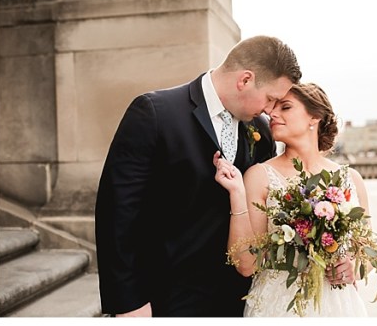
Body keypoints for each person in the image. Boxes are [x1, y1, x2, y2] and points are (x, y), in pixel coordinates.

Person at [95, 35, 302, 316]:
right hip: (166, 299)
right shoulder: (154, 113)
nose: (270, 109)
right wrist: (128, 303)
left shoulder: (262, 132)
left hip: (240, 300)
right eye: (270, 98)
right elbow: (116, 215)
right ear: (245, 80)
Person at [213, 82, 371, 316]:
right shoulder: (259, 176)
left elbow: (366, 256)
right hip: (277, 307)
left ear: (314, 117)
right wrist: (237, 194)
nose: (272, 114)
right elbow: (246, 265)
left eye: (285, 107)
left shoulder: (351, 179)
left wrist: (352, 268)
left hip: (339, 307)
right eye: (272, 109)